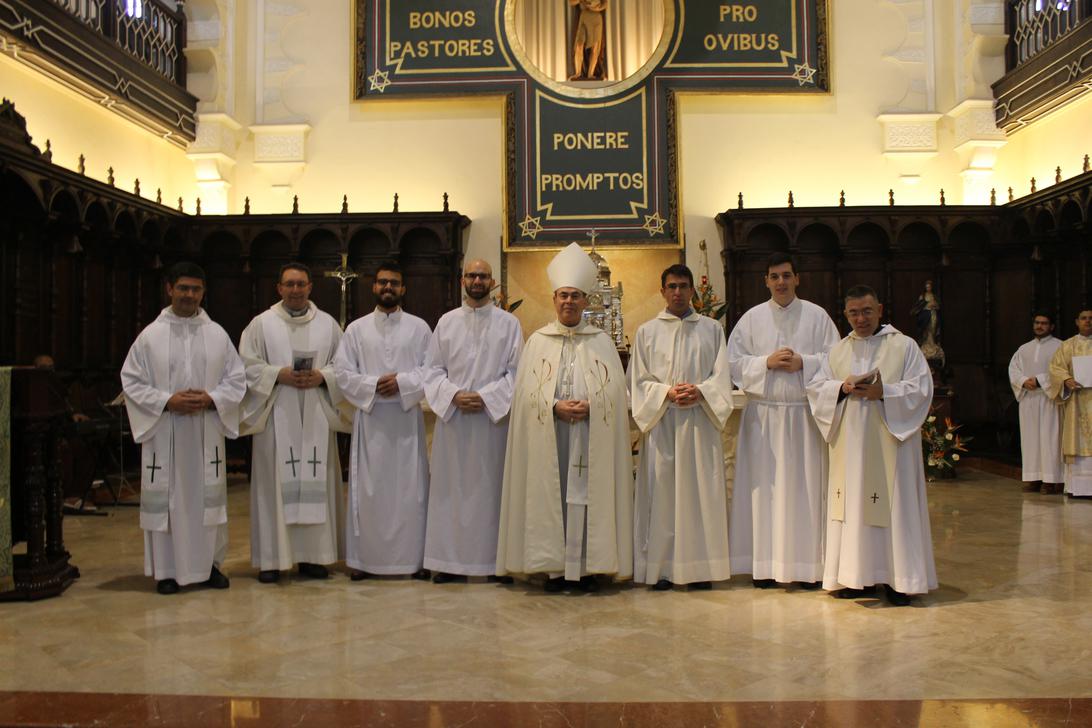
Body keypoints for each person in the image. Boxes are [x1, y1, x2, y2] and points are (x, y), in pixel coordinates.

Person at [496, 242, 632, 592]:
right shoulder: (538, 342)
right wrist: (553, 405)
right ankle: (554, 568)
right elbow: (524, 395)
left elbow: (617, 394)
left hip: (589, 435)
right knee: (554, 495)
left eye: (575, 295)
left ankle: (588, 568)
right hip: (552, 435)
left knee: (587, 497)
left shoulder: (601, 342)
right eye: (563, 295)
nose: (569, 301)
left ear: (586, 301)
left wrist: (595, 406)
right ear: (554, 299)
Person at [806, 285, 937, 606]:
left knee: (894, 507)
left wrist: (885, 393)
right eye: (853, 312)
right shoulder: (838, 351)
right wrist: (841, 386)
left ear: (879, 310)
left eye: (866, 311)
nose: (860, 318)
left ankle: (898, 579)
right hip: (850, 449)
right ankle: (856, 578)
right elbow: (817, 388)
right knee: (852, 508)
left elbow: (921, 389)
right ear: (845, 314)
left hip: (891, 445)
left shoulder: (904, 346)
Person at [120, 261, 246, 595]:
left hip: (206, 432)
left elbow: (236, 379)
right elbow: (130, 381)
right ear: (169, 289)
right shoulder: (150, 336)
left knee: (208, 500)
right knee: (169, 501)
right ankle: (166, 571)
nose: (190, 295)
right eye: (184, 288)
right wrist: (166, 401)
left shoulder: (217, 334)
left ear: (204, 292)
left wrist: (212, 397)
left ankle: (210, 567)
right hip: (166, 431)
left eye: (196, 289)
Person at [726, 252, 839, 590]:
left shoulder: (818, 317)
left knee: (805, 492)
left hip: (803, 417)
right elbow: (732, 363)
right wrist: (766, 363)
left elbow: (836, 360)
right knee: (766, 495)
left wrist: (803, 362)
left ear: (797, 278)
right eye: (774, 276)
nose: (781, 282)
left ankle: (806, 567)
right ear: (766, 281)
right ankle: (763, 566)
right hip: (764, 418)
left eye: (786, 276)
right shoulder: (751, 318)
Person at [239, 262, 353, 584]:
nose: (295, 290)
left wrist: (322, 376)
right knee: (273, 485)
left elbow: (343, 367)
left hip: (316, 410)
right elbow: (246, 366)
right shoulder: (261, 325)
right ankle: (273, 560)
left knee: (316, 478)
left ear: (310, 287)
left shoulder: (329, 325)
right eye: (289, 284)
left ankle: (313, 558)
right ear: (279, 288)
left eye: (301, 284)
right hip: (277, 413)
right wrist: (278, 374)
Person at [630, 264, 733, 591]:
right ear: (662, 291)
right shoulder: (647, 332)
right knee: (662, 496)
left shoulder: (712, 329)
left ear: (693, 291)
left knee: (701, 495)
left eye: (683, 286)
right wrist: (666, 392)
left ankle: (701, 569)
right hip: (664, 424)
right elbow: (638, 382)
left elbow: (722, 378)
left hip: (700, 423)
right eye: (671, 286)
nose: (677, 292)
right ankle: (661, 569)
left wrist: (701, 390)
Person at [422, 260, 523, 584]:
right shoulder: (446, 322)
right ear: (462, 279)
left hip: (492, 423)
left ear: (492, 281)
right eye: (471, 275)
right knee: (450, 492)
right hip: (455, 423)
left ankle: (496, 563)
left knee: (491, 490)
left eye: (482, 276)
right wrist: (453, 395)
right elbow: (433, 371)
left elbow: (516, 372)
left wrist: (486, 397)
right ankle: (450, 564)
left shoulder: (509, 324)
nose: (477, 280)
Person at [334, 261, 432, 579]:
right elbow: (343, 372)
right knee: (369, 490)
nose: (388, 287)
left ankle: (413, 560)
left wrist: (402, 383)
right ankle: (365, 561)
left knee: (409, 488)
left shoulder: (419, 328)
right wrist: (374, 385)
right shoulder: (356, 330)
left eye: (394, 283)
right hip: (372, 419)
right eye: (382, 282)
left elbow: (431, 370)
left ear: (403, 289)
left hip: (406, 422)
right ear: (373, 287)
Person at [1008, 313, 1063, 494]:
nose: (1040, 326)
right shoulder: (1023, 349)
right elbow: (1013, 369)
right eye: (1037, 323)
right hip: (1029, 398)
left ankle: (1051, 479)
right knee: (1031, 438)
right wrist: (1023, 380)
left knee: (1050, 438)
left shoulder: (1060, 347)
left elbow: (1062, 371)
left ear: (1052, 326)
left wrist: (1040, 380)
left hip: (1049, 398)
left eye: (1044, 323)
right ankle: (1033, 478)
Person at [1047, 309, 1092, 498]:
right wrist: (1066, 380)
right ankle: (1077, 488)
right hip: (1077, 402)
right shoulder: (1068, 346)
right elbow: (1055, 368)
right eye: (1084, 318)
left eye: (1091, 319)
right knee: (1077, 441)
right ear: (1077, 322)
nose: (1088, 321)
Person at [569, 0, 608, 81]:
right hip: (584, 16)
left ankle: (591, 73)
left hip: (596, 18)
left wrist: (595, 6)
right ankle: (578, 72)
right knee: (579, 45)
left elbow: (605, 4)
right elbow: (571, 2)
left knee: (596, 47)